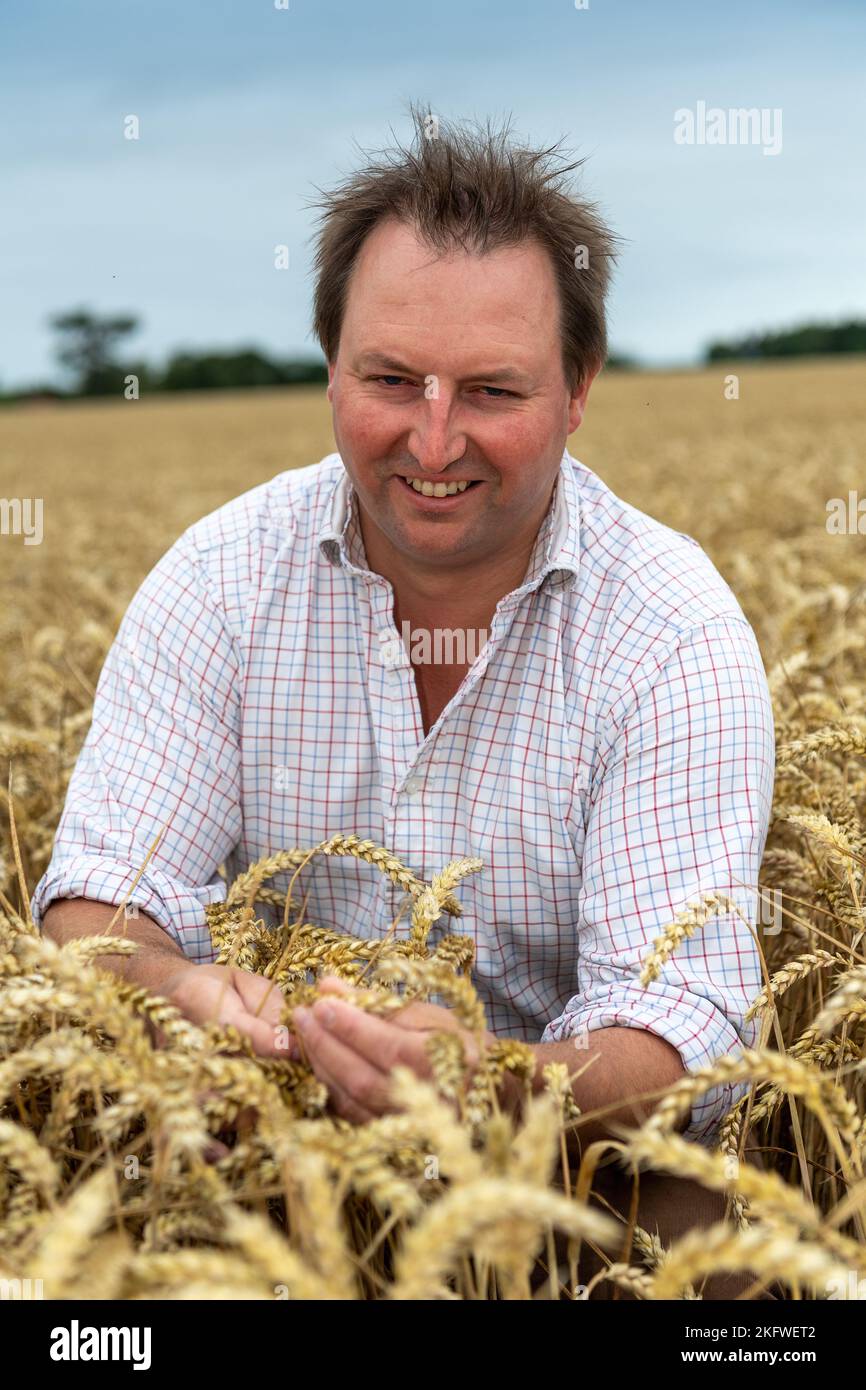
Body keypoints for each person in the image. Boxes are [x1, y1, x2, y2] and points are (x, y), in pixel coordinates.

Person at [34, 108, 774, 1195]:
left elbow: (687, 1021)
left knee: (722, 1254)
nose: (433, 443)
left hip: (568, 1182)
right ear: (330, 369)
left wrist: (499, 1086)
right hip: (258, 1151)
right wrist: (178, 995)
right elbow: (97, 896)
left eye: (490, 389)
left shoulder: (670, 632)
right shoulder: (218, 581)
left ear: (576, 387)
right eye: (390, 381)